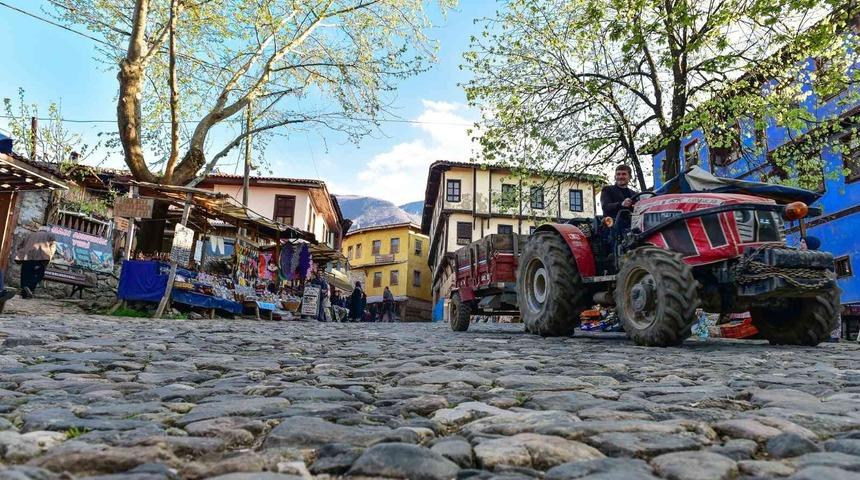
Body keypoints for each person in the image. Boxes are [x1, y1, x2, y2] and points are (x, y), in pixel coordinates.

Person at [15, 225, 57, 299]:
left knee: (25, 275)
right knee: (38, 275)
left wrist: (21, 253)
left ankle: (24, 294)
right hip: (41, 258)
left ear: (39, 230)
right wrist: (49, 257)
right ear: (47, 230)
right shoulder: (50, 235)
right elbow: (53, 248)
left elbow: (20, 245)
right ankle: (30, 288)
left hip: (27, 257)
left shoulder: (29, 235)